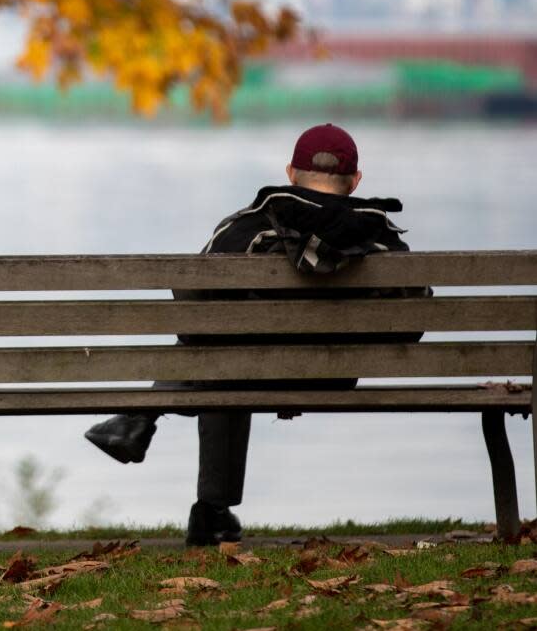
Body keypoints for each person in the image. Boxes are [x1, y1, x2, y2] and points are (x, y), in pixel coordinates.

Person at [85, 123, 423, 546]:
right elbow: (413, 322)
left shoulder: (248, 227)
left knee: (218, 353)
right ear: (355, 181)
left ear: (289, 173)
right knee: (222, 355)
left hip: (243, 372)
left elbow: (191, 308)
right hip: (334, 376)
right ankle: (201, 501)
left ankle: (144, 422)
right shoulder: (382, 238)